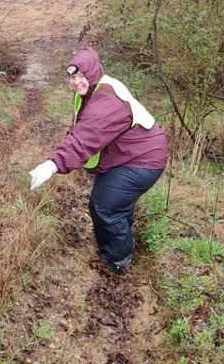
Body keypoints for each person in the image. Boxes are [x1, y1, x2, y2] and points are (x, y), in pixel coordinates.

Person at [29, 47, 168, 274]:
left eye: (81, 76)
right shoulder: (93, 92)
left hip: (142, 160)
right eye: (72, 77)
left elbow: (86, 137)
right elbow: (80, 130)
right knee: (115, 202)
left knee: (104, 206)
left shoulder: (106, 100)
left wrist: (53, 164)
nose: (76, 82)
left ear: (92, 73)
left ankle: (117, 260)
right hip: (127, 156)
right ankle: (123, 239)